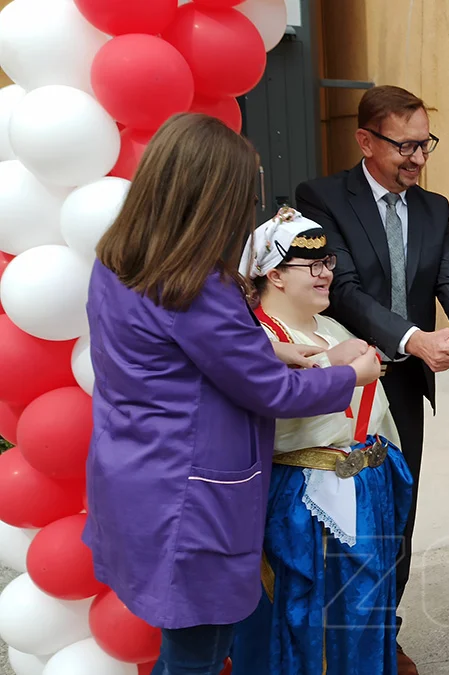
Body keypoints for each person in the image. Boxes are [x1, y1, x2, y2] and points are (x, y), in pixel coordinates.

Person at [83, 113, 381, 675]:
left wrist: (271, 351)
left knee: (197, 634)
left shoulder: (118, 262)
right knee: (197, 648)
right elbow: (269, 392)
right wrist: (351, 376)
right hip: (190, 495)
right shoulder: (195, 284)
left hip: (132, 472)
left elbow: (172, 359)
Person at [294, 85, 449, 673]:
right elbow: (346, 289)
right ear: (365, 140)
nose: (417, 158)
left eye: (424, 145)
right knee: (335, 514)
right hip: (336, 386)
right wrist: (414, 338)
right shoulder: (323, 197)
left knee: (394, 514)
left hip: (404, 387)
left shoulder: (434, 208)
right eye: (403, 146)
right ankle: (330, 637)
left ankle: (384, 631)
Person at [228, 209, 415, 675]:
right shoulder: (257, 337)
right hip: (304, 501)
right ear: (274, 273)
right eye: (310, 265)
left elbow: (377, 416)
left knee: (362, 614)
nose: (326, 272)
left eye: (327, 261)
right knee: (311, 617)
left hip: (367, 492)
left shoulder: (333, 328)